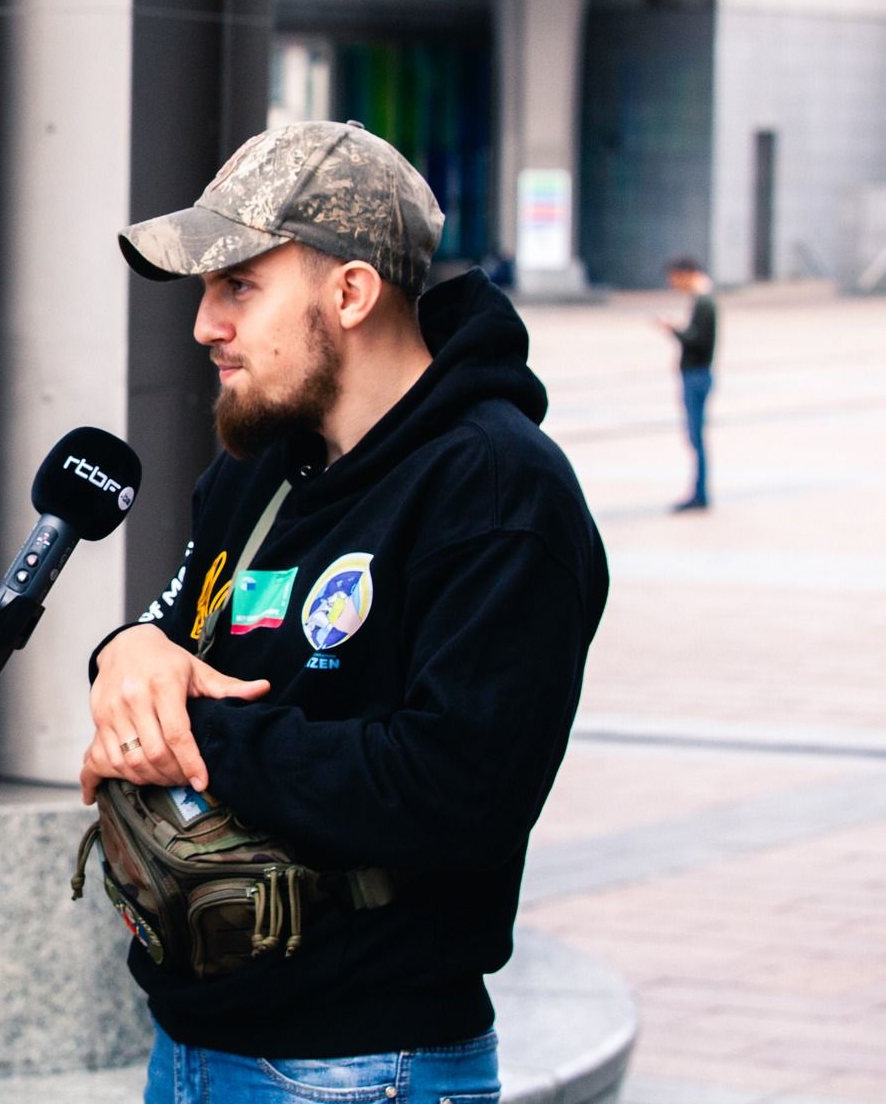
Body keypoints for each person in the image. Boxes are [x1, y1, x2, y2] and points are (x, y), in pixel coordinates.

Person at [83, 120, 608, 1104]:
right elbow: (170, 644)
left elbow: (453, 795)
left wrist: (188, 728)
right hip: (189, 1049)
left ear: (351, 291)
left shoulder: (495, 492)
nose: (204, 324)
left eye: (237, 285)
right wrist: (125, 655)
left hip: (368, 1068)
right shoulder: (260, 469)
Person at [654, 255, 717, 512]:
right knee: (695, 436)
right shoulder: (703, 299)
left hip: (696, 375)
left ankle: (700, 493)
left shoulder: (704, 301)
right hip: (698, 375)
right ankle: (699, 491)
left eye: (675, 278)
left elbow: (698, 342)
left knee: (696, 437)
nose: (673, 284)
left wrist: (673, 330)